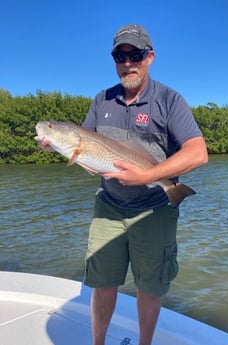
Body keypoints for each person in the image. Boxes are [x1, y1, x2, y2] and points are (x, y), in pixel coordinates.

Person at [38, 24, 208, 345]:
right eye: (120, 55)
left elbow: (198, 153)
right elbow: (83, 145)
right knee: (102, 282)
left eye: (135, 55)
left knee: (149, 287)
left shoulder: (170, 100)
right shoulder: (102, 100)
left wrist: (147, 177)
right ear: (114, 59)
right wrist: (56, 143)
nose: (127, 62)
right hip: (109, 206)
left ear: (150, 57)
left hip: (153, 209)